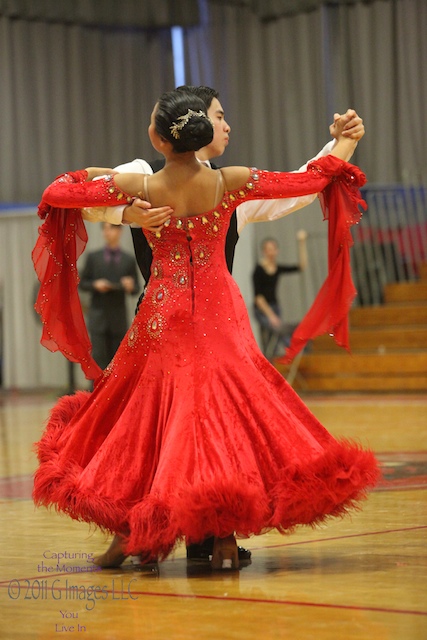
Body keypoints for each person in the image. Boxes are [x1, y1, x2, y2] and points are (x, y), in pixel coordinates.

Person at [32, 88, 379, 571]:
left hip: (162, 318)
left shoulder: (140, 184)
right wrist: (342, 146)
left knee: (141, 423)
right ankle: (223, 540)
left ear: (158, 137)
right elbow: (307, 182)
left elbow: (58, 191)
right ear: (201, 131)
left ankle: (133, 534)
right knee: (224, 421)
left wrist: (115, 195)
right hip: (220, 318)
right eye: (219, 116)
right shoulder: (229, 182)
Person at [84, 86, 365, 285]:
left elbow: (299, 189)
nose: (227, 126)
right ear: (196, 119)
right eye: (219, 117)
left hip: (219, 329)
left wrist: (342, 143)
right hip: (160, 327)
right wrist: (124, 214)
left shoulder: (232, 186)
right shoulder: (143, 173)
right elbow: (85, 202)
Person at [79, 222, 140, 371]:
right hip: (98, 317)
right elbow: (82, 284)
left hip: (118, 317)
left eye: (111, 228)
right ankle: (97, 393)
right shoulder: (93, 257)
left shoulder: (129, 259)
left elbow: (137, 288)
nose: (107, 232)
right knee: (98, 360)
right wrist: (95, 285)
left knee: (118, 362)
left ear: (119, 231)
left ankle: (119, 395)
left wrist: (130, 285)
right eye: (104, 229)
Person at [253, 233, 307, 358]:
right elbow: (259, 298)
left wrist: (301, 243)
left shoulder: (277, 268)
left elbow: (301, 266)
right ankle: (295, 345)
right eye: (268, 249)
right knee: (276, 332)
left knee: (276, 338)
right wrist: (271, 316)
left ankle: (294, 347)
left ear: (277, 251)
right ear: (264, 251)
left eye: (273, 249)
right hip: (262, 310)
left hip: (275, 307)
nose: (271, 252)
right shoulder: (259, 270)